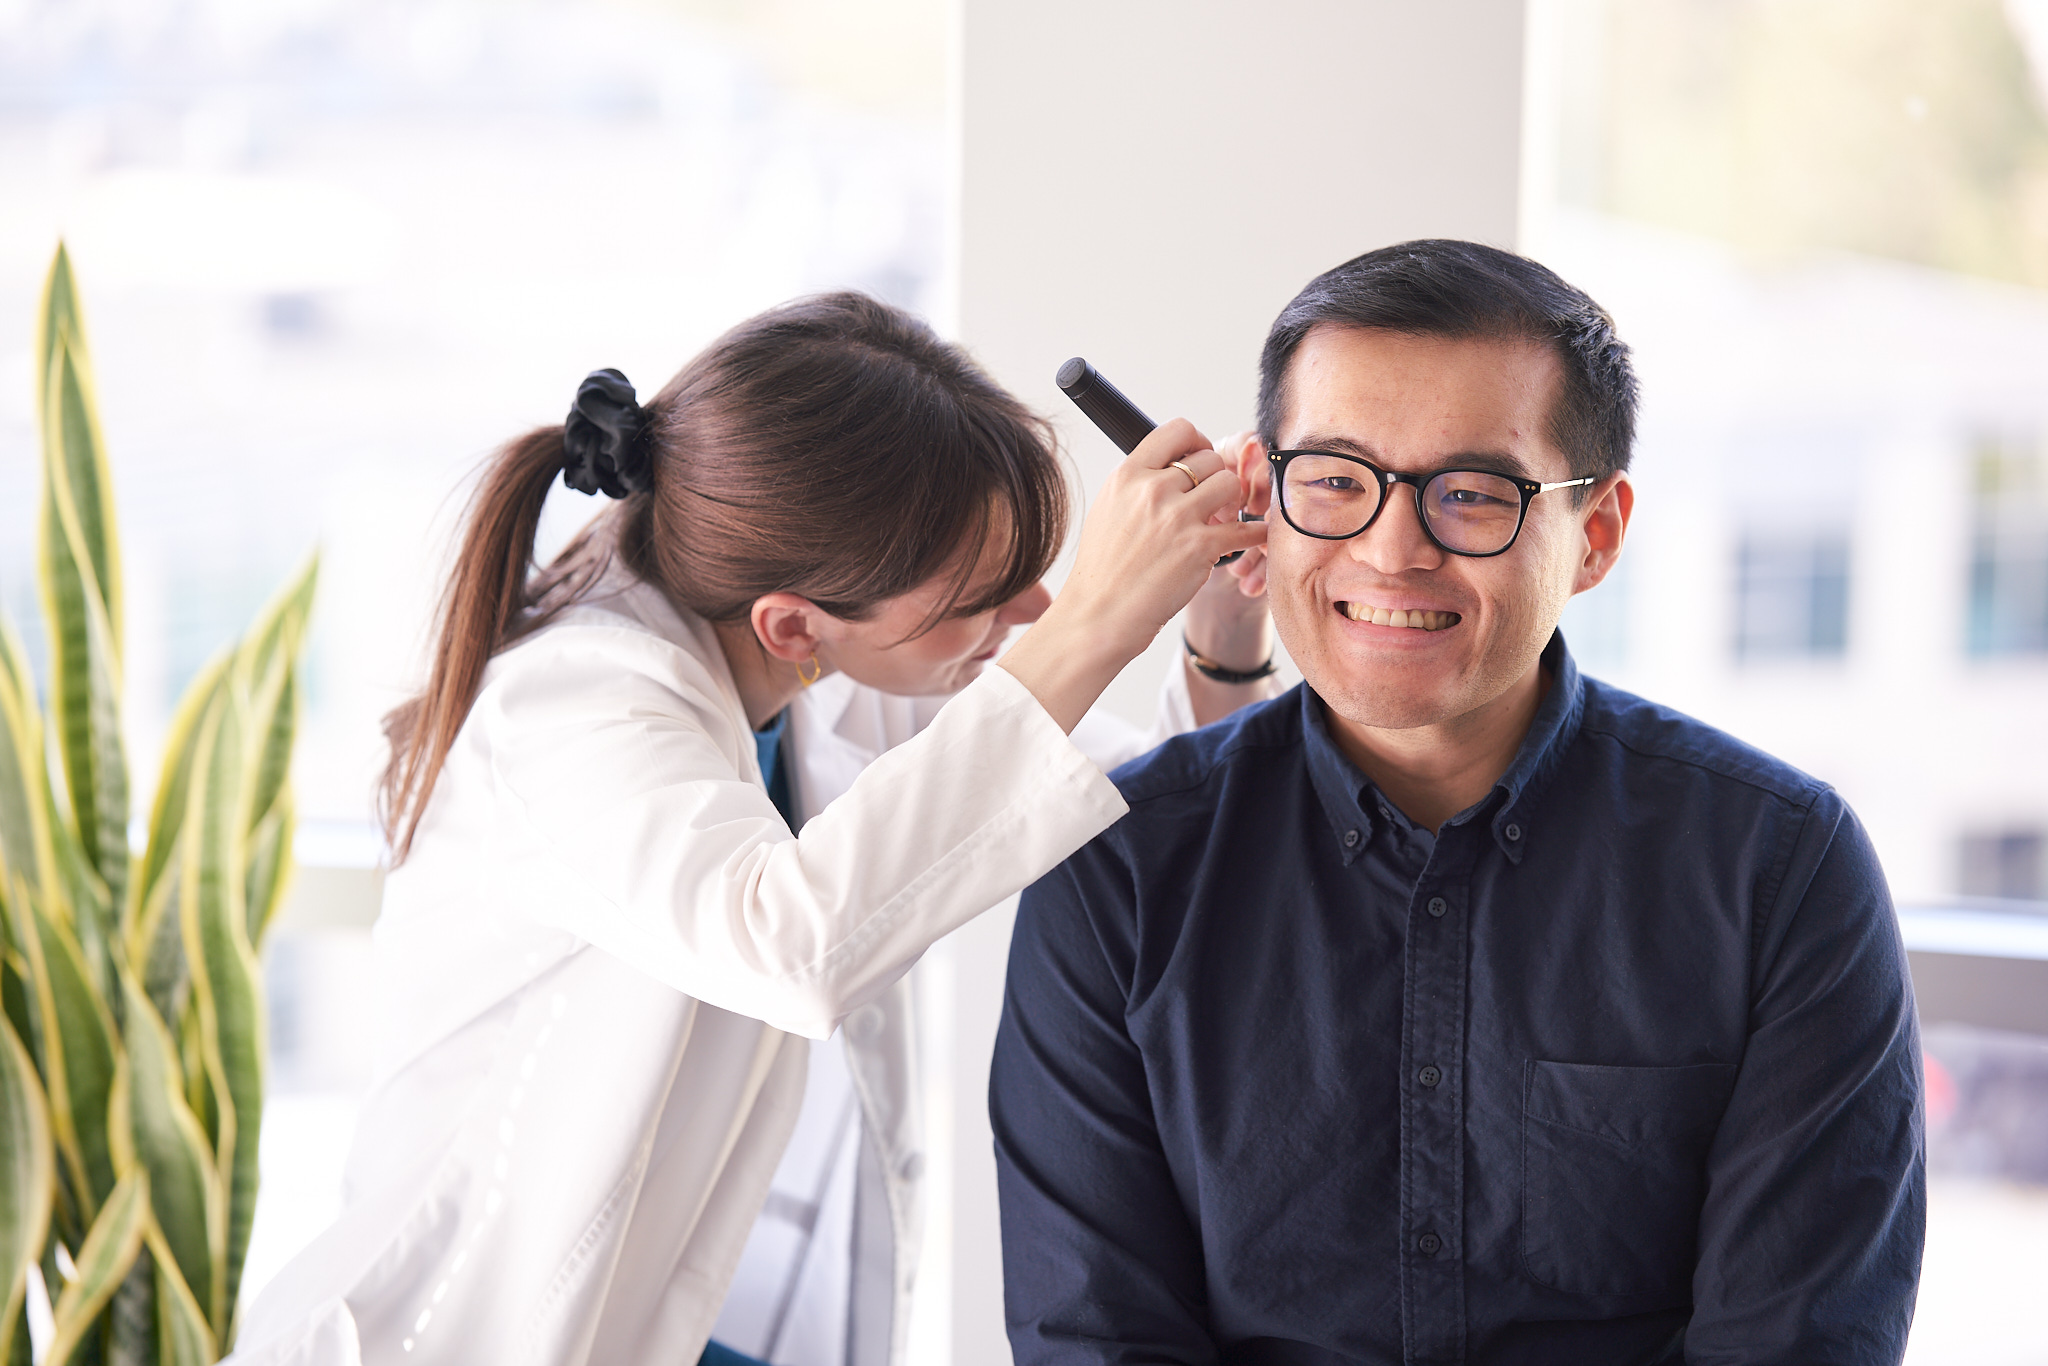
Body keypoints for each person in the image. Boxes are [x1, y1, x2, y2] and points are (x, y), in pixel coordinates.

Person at [228, 292, 1276, 1366]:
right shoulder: (573, 704)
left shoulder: (816, 668)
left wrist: (1221, 636)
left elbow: (1128, 808)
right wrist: (1107, 617)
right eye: (982, 597)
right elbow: (792, 941)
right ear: (794, 624)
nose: (1036, 616)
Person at [991, 241, 1925, 1365]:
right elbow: (1092, 1336)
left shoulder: (1778, 869)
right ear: (1261, 499)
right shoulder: (1112, 866)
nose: (1390, 550)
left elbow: (1795, 1342)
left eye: (1471, 494)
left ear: (1596, 534)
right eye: (1334, 479)